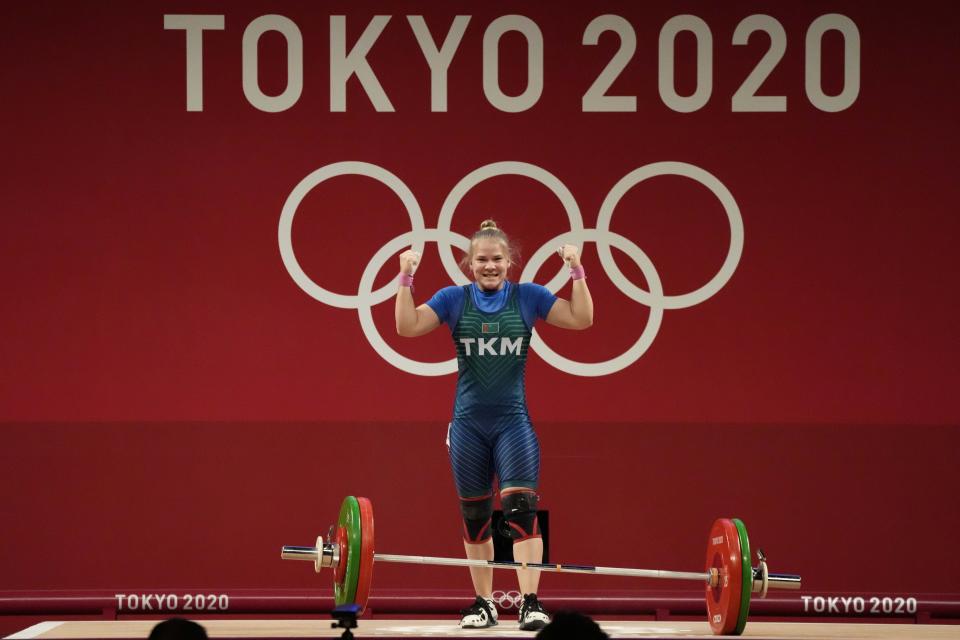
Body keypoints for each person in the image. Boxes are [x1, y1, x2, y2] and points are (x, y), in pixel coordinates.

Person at [395, 219, 593, 631]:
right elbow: (406, 326)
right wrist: (405, 277)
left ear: (510, 261)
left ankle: (530, 603)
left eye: (497, 259)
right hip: (468, 425)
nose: (490, 266)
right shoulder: (453, 299)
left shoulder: (528, 297)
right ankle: (484, 604)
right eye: (481, 260)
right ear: (469, 264)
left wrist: (577, 269)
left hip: (512, 424)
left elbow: (581, 319)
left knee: (522, 512)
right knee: (476, 518)